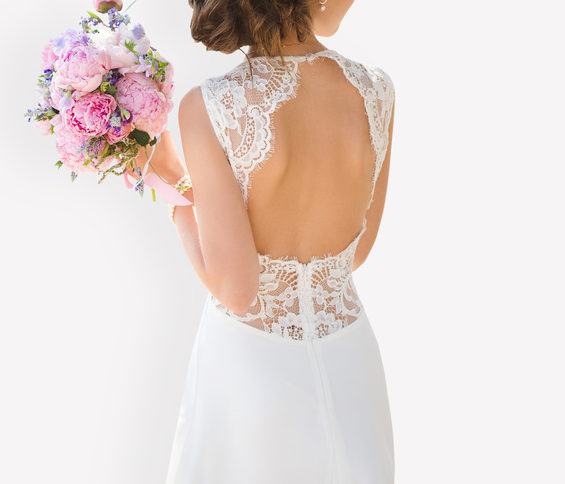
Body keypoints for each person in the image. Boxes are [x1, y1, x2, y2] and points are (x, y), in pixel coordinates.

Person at [143, 0, 396, 482]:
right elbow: (356, 252)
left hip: (251, 369)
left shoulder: (212, 105)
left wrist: (172, 188)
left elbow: (236, 290)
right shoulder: (376, 90)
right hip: (352, 363)